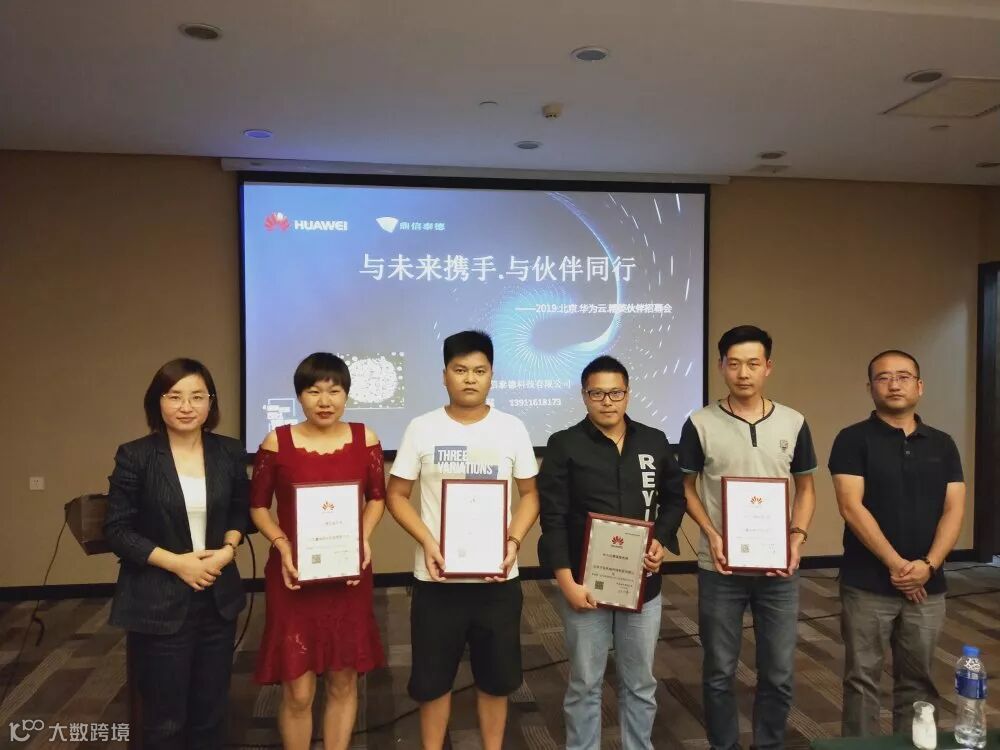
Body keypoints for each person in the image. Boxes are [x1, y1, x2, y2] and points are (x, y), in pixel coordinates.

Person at [385, 330, 540, 750]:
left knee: (496, 680)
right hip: (438, 580)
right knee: (432, 682)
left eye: (479, 370)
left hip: (497, 580)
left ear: (492, 375)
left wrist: (513, 540)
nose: (470, 379)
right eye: (460, 370)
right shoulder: (422, 428)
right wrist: (427, 541)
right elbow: (396, 495)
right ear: (444, 375)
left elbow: (530, 494)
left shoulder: (511, 428)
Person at [678, 325, 817, 750]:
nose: (743, 373)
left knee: (778, 672)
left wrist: (796, 538)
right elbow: (686, 488)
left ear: (768, 367)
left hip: (779, 568)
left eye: (753, 364)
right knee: (719, 671)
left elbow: (806, 488)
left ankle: (768, 744)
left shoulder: (794, 422)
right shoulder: (699, 423)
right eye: (734, 364)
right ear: (721, 366)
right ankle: (724, 745)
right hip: (720, 567)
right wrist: (711, 533)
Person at [537, 355, 686, 750]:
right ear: (584, 396)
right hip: (585, 585)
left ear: (628, 393)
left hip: (643, 584)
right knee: (585, 683)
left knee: (640, 682)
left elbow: (675, 499)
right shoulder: (564, 445)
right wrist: (566, 583)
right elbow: (553, 518)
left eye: (615, 393)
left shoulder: (654, 441)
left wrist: (661, 540)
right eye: (597, 393)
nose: (607, 401)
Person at [104, 358, 249, 750]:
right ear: (158, 402)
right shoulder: (135, 456)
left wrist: (228, 550)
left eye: (197, 397)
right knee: (164, 720)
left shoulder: (229, 451)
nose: (187, 406)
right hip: (158, 600)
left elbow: (240, 509)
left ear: (211, 402)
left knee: (211, 713)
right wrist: (178, 564)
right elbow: (117, 530)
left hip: (217, 597)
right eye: (175, 396)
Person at [249, 352, 387, 750]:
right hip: (293, 574)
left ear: (347, 395)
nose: (324, 401)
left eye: (334, 391)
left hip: (348, 574)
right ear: (299, 396)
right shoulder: (278, 442)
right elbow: (258, 506)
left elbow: (377, 498)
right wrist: (281, 544)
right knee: (299, 691)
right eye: (313, 391)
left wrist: (362, 537)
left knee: (344, 682)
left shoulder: (365, 438)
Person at [829, 350, 965, 736]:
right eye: (884, 377)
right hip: (867, 583)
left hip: (928, 584)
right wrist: (898, 566)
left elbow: (954, 509)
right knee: (862, 681)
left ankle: (916, 744)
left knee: (919, 682)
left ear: (919, 386)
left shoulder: (943, 444)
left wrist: (928, 566)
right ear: (870, 387)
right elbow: (851, 506)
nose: (894, 384)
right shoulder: (852, 439)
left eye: (903, 376)